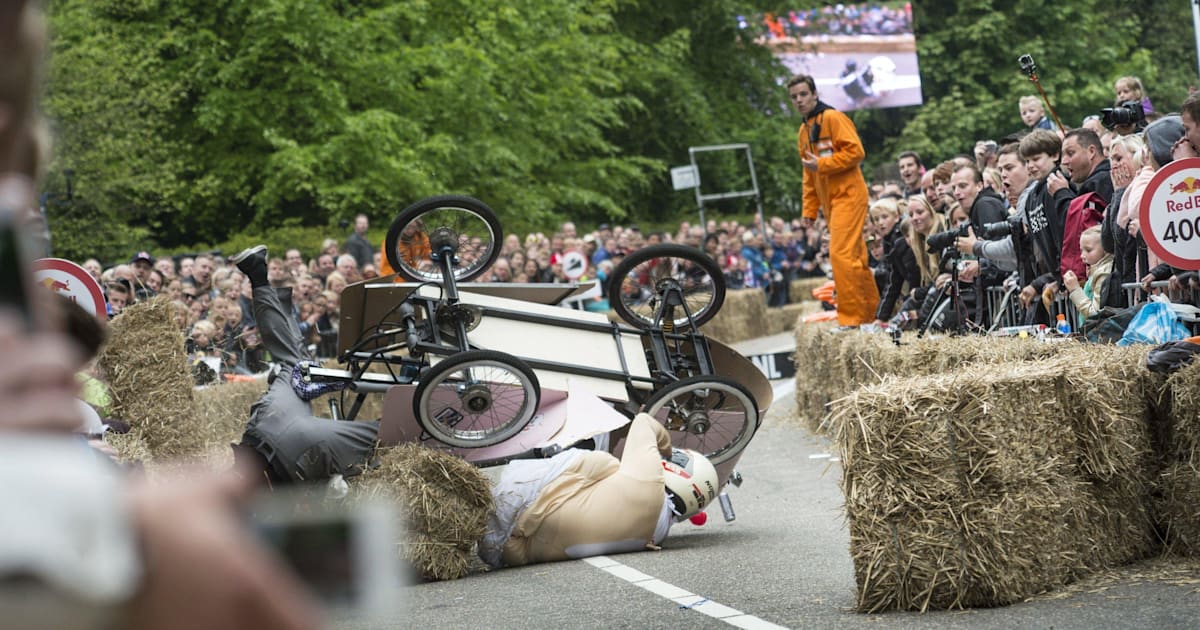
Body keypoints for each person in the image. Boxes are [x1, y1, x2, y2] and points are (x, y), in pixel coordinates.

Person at [478, 413, 718, 568]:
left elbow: (644, 421)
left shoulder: (649, 486)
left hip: (519, 507)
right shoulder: (658, 534)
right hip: (502, 552)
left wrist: (664, 447)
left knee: (604, 461)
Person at [231, 245, 380, 484]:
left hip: (281, 439)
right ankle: (257, 275)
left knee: (297, 365)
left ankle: (258, 275)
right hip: (269, 432)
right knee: (294, 363)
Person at [788, 73, 879, 326]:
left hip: (849, 195)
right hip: (831, 202)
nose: (799, 100)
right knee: (855, 257)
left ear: (815, 94)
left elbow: (856, 151)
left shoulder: (833, 118)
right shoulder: (803, 131)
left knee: (839, 254)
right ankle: (873, 313)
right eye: (794, 97)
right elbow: (809, 174)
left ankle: (851, 319)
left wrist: (823, 163)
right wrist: (809, 210)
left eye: (803, 94)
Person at [869, 198, 919, 326]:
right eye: (876, 219)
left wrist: (912, 305)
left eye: (884, 217)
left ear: (896, 217)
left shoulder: (901, 240)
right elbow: (893, 280)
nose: (880, 223)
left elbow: (914, 274)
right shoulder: (888, 241)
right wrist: (881, 317)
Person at [1063, 225, 1112, 322]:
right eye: (1081, 250)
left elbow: (1095, 313)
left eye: (1088, 250)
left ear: (1105, 249)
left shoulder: (1103, 273)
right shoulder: (1096, 271)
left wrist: (1075, 290)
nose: (1082, 256)